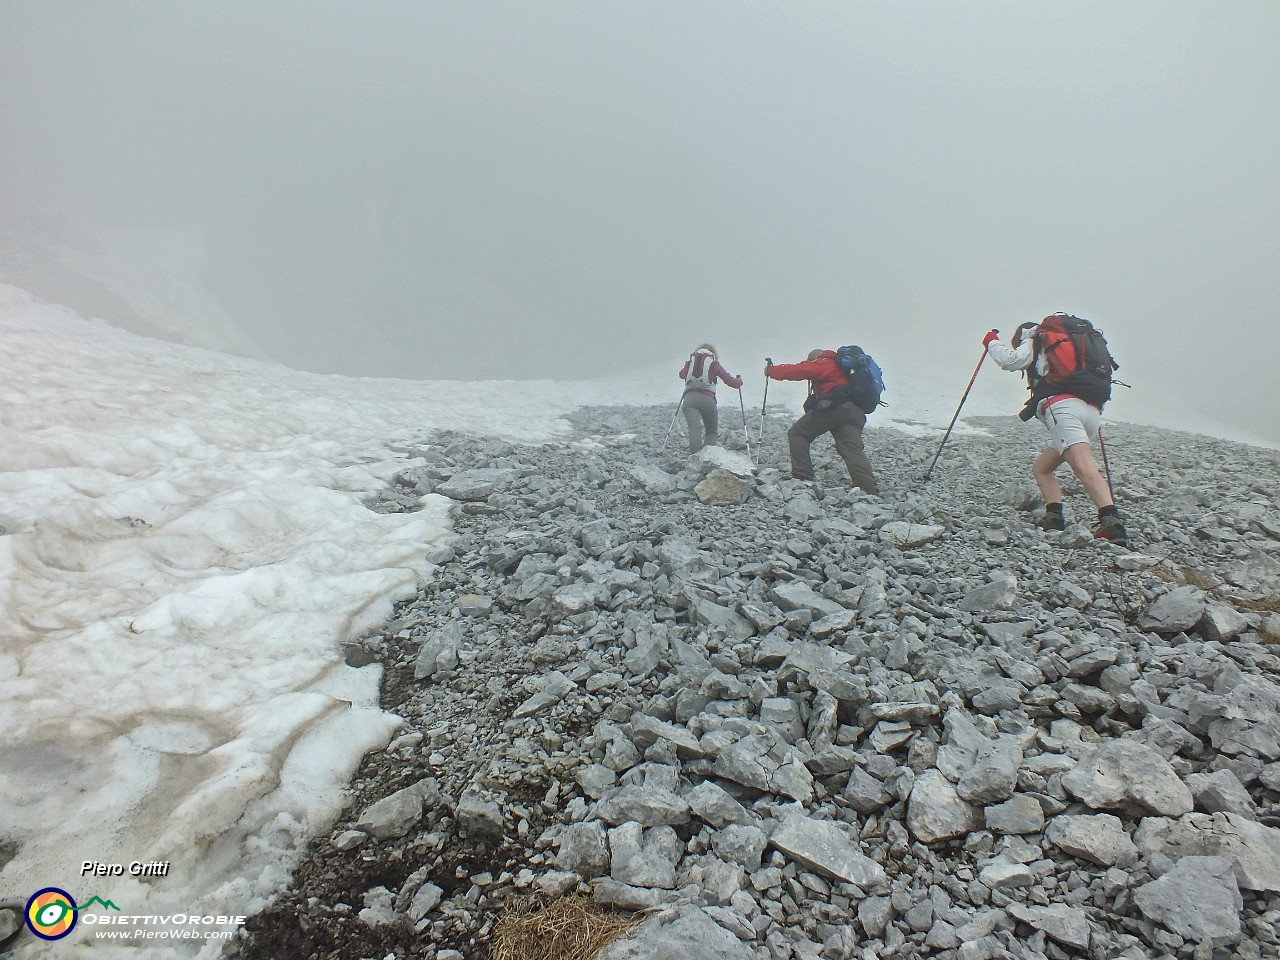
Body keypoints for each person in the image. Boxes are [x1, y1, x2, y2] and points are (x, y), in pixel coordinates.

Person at [983, 320, 1127, 544]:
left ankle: (1112, 523)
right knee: (1042, 468)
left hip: (1062, 409)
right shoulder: (1074, 343)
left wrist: (991, 342)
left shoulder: (1036, 339)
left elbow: (1011, 361)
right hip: (1090, 411)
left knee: (1083, 465)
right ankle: (1054, 518)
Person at [764, 349, 879, 493]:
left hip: (837, 408)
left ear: (816, 357)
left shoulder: (825, 362)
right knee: (852, 449)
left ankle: (802, 476)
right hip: (855, 412)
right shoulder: (845, 369)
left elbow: (800, 370)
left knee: (798, 433)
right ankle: (868, 489)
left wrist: (772, 371)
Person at [677, 344, 743, 454]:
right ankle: (706, 457)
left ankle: (694, 456)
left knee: (694, 428)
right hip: (707, 399)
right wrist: (739, 381)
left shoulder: (691, 362)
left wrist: (688, 366)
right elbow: (730, 381)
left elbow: (681, 375)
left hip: (689, 399)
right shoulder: (714, 364)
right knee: (711, 431)